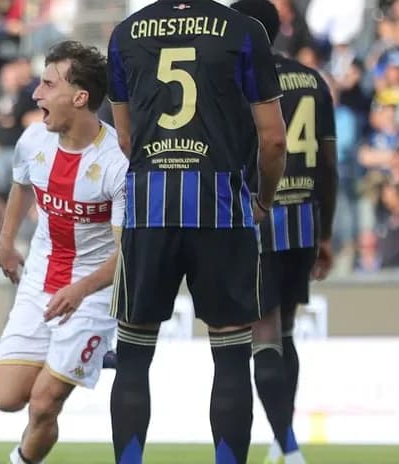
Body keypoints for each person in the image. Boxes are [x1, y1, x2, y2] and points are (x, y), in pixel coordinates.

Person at [105, 0, 287, 463]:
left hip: (149, 207)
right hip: (222, 207)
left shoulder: (126, 32)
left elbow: (125, 139)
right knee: (229, 355)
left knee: (132, 355)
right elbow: (274, 139)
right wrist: (262, 199)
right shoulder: (243, 31)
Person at [0, 40, 127, 464]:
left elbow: (128, 256)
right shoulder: (34, 140)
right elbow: (20, 185)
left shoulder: (117, 163)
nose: (36, 94)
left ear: (80, 97)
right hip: (41, 276)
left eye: (48, 85)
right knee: (7, 397)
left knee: (44, 403)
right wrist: (5, 241)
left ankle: (22, 460)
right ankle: (88, 356)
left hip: (94, 290)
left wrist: (82, 290)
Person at [229, 2, 338, 464]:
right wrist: (326, 233)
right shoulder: (313, 80)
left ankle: (289, 447)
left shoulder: (239, 81)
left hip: (258, 219)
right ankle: (282, 437)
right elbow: (330, 165)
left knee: (264, 335)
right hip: (305, 222)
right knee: (286, 330)